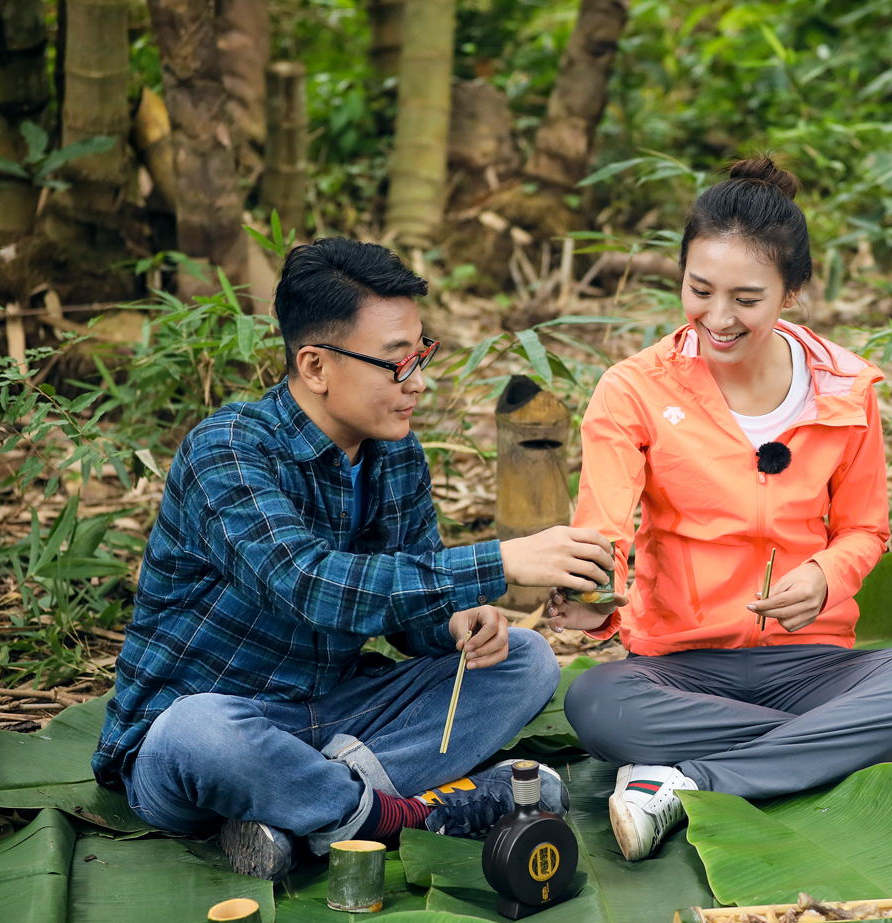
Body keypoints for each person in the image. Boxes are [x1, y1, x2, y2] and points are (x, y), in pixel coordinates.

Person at [93, 238, 615, 880]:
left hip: (335, 713)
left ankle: (308, 812)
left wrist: (454, 623)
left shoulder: (395, 454)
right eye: (396, 363)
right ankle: (404, 817)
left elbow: (408, 616)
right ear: (314, 366)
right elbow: (307, 583)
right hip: (214, 724)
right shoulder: (226, 450)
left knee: (527, 661)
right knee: (197, 732)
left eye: (421, 354)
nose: (417, 382)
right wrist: (498, 562)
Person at [552, 157, 892, 861]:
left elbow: (864, 530)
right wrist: (592, 596)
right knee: (597, 705)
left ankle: (686, 783)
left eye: (747, 299)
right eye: (699, 290)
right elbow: (604, 530)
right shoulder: (631, 390)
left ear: (793, 293)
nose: (717, 319)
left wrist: (824, 577)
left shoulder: (845, 392)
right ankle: (859, 747)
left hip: (813, 665)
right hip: (678, 667)